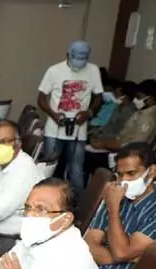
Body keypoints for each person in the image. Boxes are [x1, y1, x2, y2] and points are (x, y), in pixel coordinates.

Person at [85, 142, 156, 269]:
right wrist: (124, 256)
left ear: (152, 171)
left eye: (131, 173)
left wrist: (113, 209)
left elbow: (121, 253)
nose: (124, 181)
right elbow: (88, 244)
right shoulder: (116, 198)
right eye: (120, 174)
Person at [37, 40, 104, 193]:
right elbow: (41, 98)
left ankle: (80, 207)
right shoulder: (54, 71)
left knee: (76, 170)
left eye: (82, 61)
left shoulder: (93, 70)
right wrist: (53, 115)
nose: (78, 65)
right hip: (54, 130)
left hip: (79, 131)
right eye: (75, 60)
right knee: (49, 167)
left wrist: (89, 113)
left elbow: (99, 96)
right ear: (67, 55)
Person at [88, 79, 156, 154]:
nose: (135, 100)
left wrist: (105, 144)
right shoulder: (141, 111)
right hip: (116, 145)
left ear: (150, 99)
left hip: (125, 153)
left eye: (139, 97)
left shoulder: (148, 119)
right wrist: (105, 142)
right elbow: (122, 135)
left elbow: (135, 146)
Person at [85, 80, 139, 177]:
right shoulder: (118, 107)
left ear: (125, 96)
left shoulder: (130, 112)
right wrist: (95, 133)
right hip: (102, 137)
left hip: (111, 144)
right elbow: (108, 125)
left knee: (88, 158)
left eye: (117, 94)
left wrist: (103, 141)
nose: (114, 95)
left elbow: (121, 133)